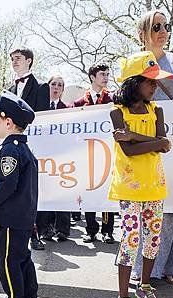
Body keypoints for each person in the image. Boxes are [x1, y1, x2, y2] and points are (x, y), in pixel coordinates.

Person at [108, 51, 173, 298]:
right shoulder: (117, 112)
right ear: (133, 82)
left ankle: (144, 285)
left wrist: (135, 135)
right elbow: (130, 151)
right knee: (131, 240)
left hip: (155, 187)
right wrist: (156, 143)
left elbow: (165, 143)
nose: (155, 86)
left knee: (152, 240)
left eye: (156, 81)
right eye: (150, 81)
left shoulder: (156, 110)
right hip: (129, 188)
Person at [132, 10, 173, 285]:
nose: (162, 30)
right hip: (145, 139)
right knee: (145, 202)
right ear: (142, 33)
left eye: (165, 25)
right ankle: (142, 267)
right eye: (155, 26)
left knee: (172, 203)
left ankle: (168, 265)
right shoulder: (135, 63)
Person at [0, 91, 42, 298]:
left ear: (8, 122)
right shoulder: (24, 149)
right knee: (23, 258)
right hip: (23, 217)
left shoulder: (10, 150)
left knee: (8, 261)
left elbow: (7, 186)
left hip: (9, 218)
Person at [8, 47, 49, 250]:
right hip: (12, 148)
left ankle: (35, 233)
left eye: (18, 58)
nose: (14, 62)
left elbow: (42, 119)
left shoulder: (41, 87)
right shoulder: (9, 89)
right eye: (12, 59)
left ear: (29, 61)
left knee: (31, 190)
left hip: (33, 146)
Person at [73, 64, 116, 243]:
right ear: (92, 77)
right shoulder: (80, 102)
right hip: (87, 153)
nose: (105, 77)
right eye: (101, 74)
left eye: (107, 74)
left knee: (107, 190)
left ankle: (108, 230)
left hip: (107, 152)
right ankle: (91, 230)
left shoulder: (113, 100)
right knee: (89, 189)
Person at [38, 75, 71, 242]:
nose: (56, 87)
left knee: (62, 192)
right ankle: (44, 228)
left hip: (61, 157)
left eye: (60, 85)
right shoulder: (39, 108)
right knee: (44, 192)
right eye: (53, 84)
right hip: (43, 156)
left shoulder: (67, 109)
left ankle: (62, 229)